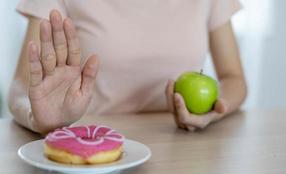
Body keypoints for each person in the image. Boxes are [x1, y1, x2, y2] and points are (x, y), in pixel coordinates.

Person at [9, 0, 247, 134]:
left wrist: (214, 110)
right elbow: (21, 87)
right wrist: (39, 118)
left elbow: (233, 78)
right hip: (89, 153)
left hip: (184, 152)